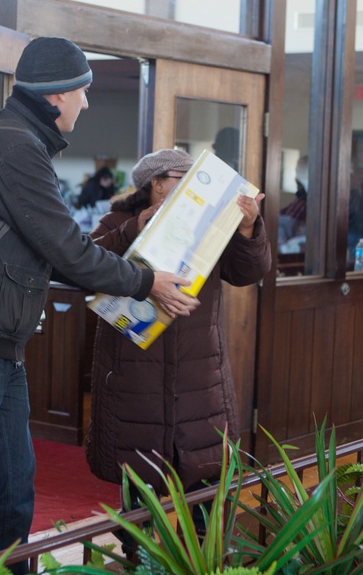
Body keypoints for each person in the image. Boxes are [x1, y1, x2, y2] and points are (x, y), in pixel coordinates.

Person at [0, 38, 199, 575]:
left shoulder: (14, 137)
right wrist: (148, 282)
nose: (87, 104)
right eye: (84, 92)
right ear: (56, 95)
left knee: (13, 488)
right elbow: (69, 252)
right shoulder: (14, 148)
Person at [84, 147, 270, 558]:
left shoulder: (208, 226)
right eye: (184, 177)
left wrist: (247, 229)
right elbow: (83, 266)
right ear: (157, 183)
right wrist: (134, 229)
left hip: (199, 375)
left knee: (204, 477)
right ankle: (137, 558)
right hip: (135, 377)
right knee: (140, 480)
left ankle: (205, 559)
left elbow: (249, 272)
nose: (194, 188)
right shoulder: (117, 221)